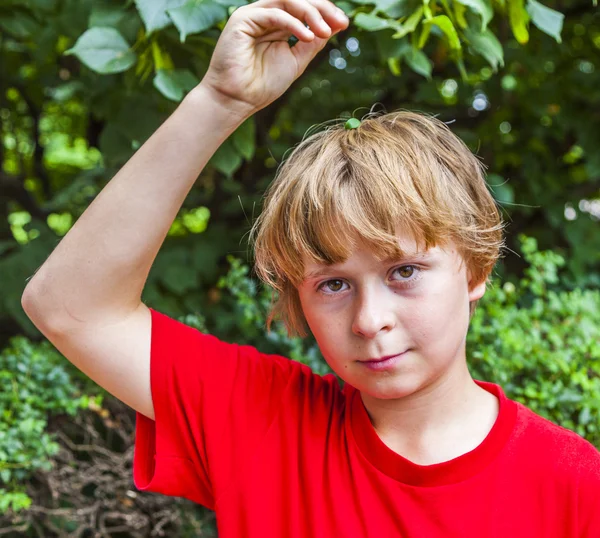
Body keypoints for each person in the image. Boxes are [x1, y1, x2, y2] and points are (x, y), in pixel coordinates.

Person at [21, 0, 600, 536]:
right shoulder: (263, 422)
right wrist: (220, 102)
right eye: (333, 284)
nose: (370, 321)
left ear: (475, 269)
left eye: (403, 272)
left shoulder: (576, 486)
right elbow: (70, 307)